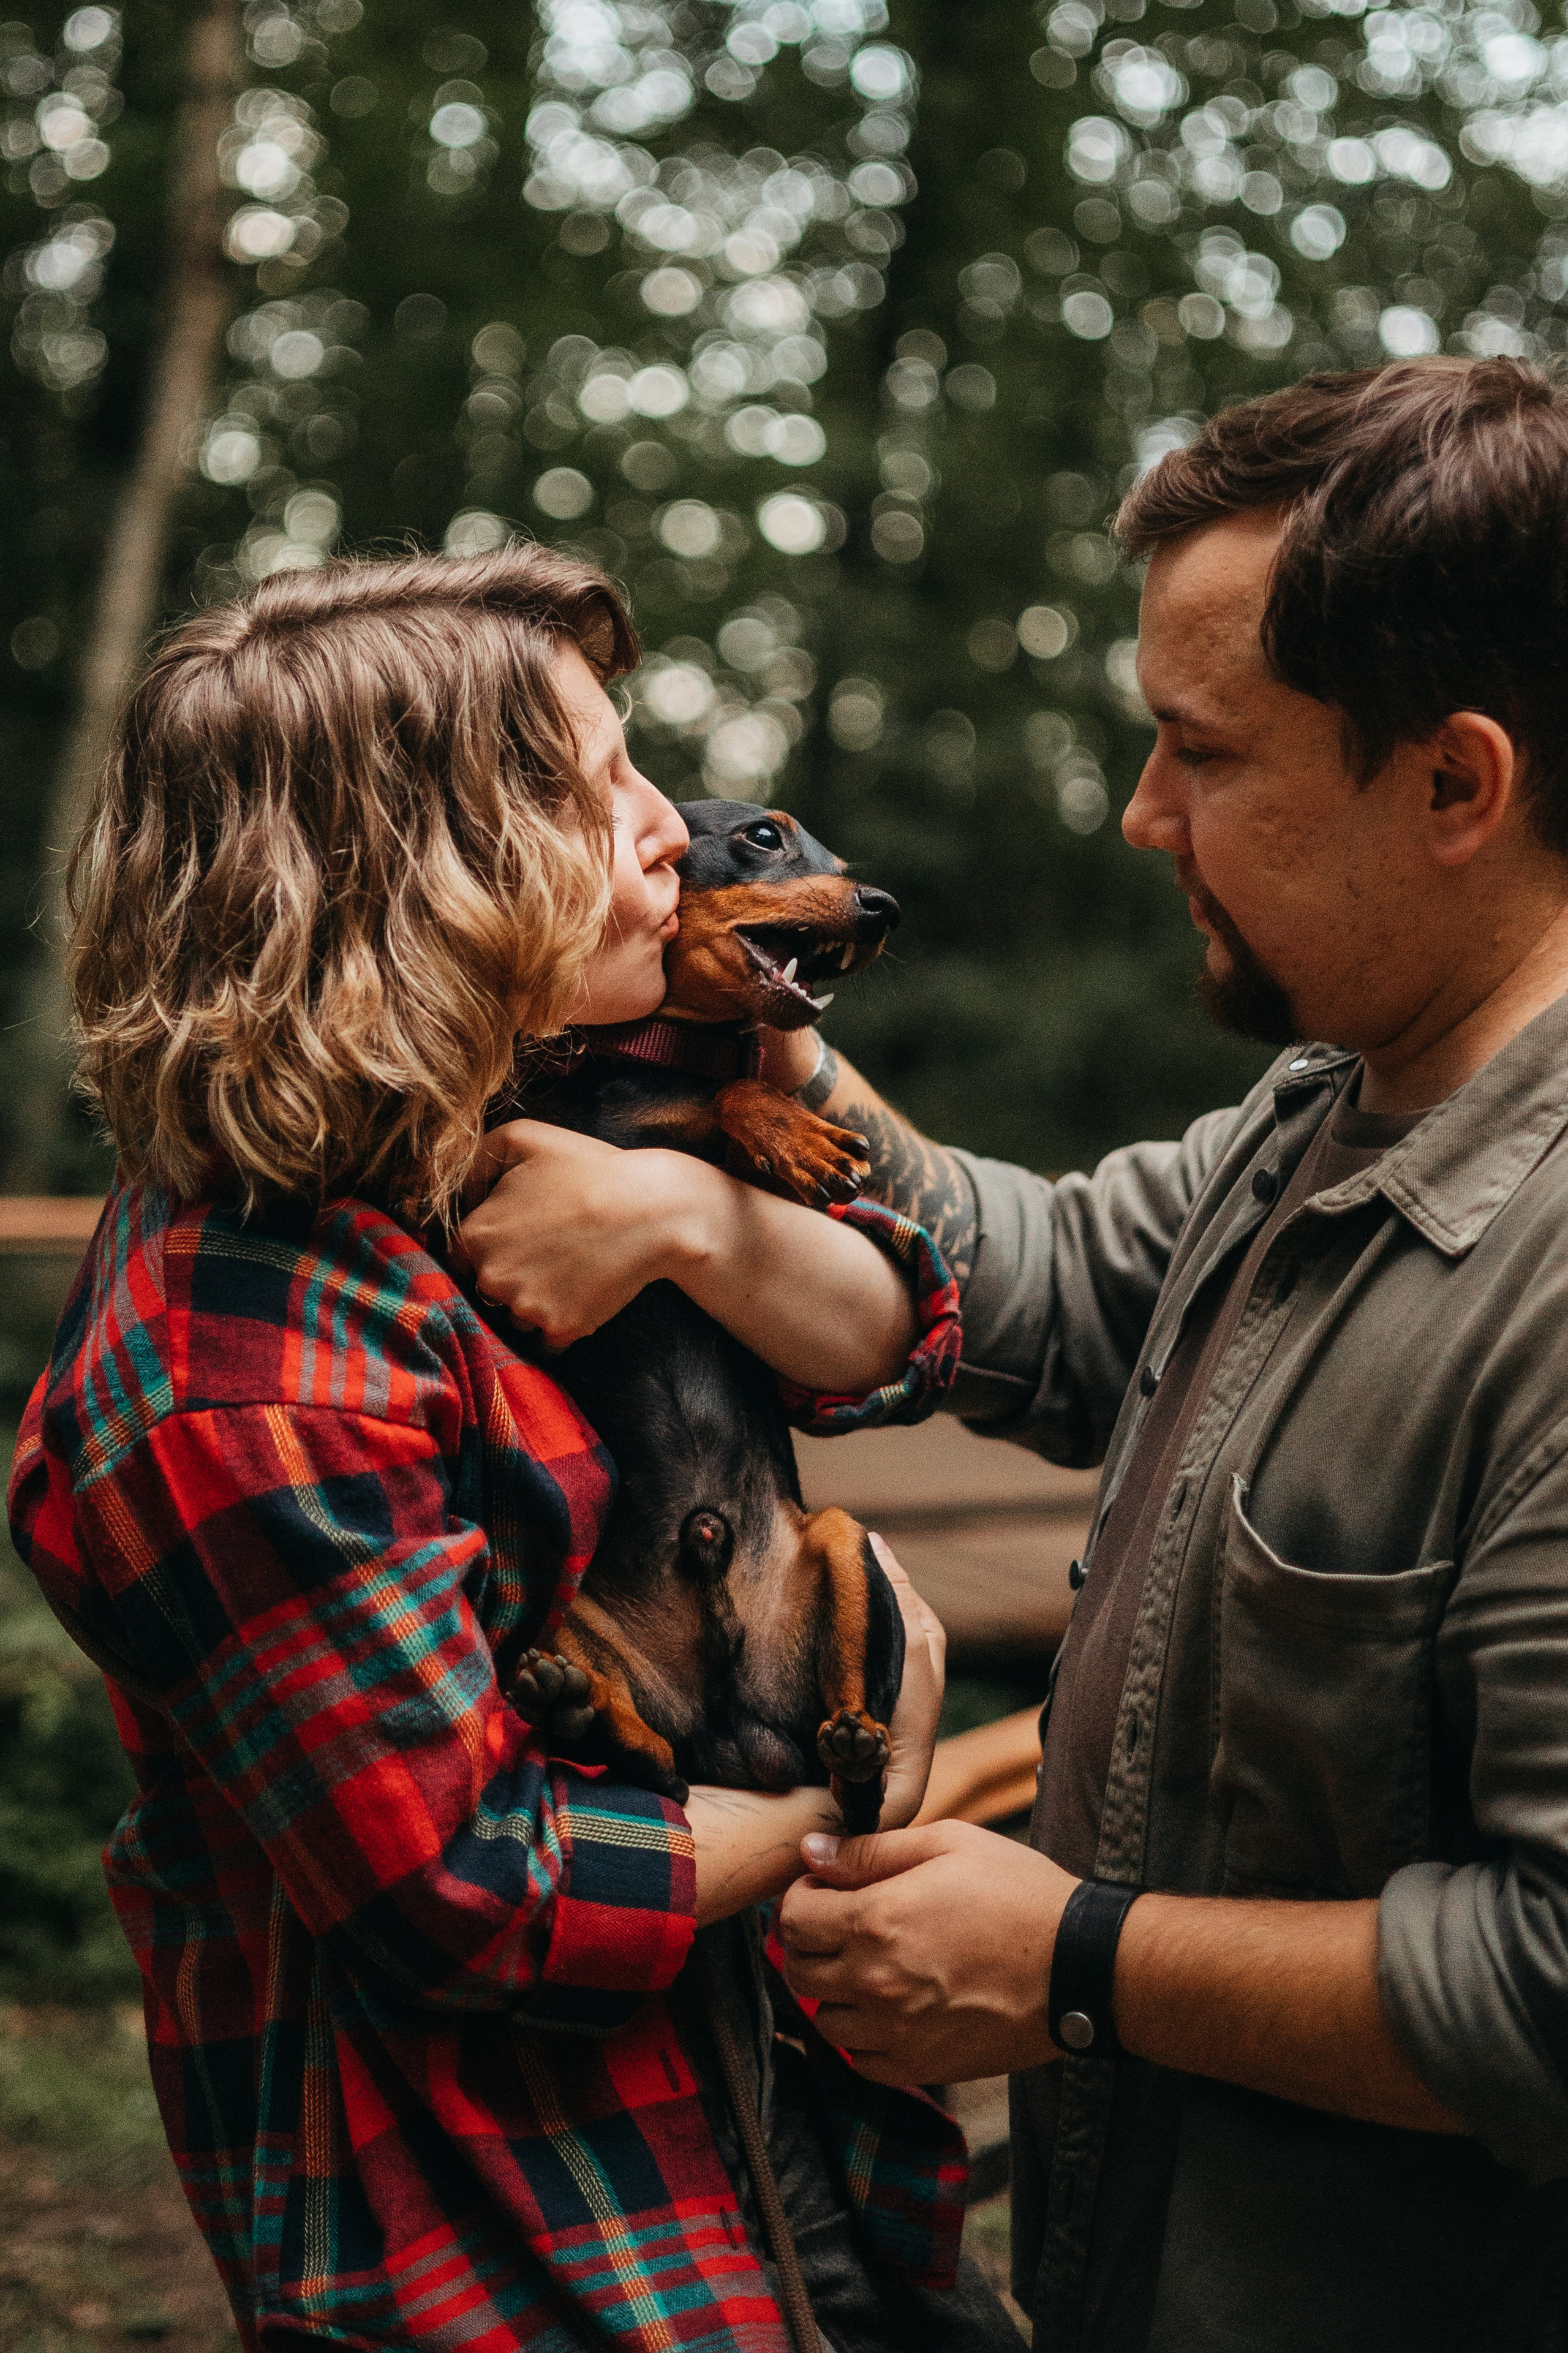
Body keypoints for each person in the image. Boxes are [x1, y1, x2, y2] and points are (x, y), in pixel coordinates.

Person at [464, 357, 1568, 2350]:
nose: (1145, 813)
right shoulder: (1334, 1103)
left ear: (1454, 786)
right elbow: (1036, 1276)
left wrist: (1075, 1957)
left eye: (1202, 749)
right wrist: (744, 1082)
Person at [7, 548, 1025, 2352]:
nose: (663, 830)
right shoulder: (240, 1355)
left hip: (789, 2128)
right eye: (587, 790)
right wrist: (839, 1798)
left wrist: (690, 1212)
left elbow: (914, 1316)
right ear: (405, 876)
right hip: (539, 2245)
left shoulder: (494, 1139)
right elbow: (482, 1893)